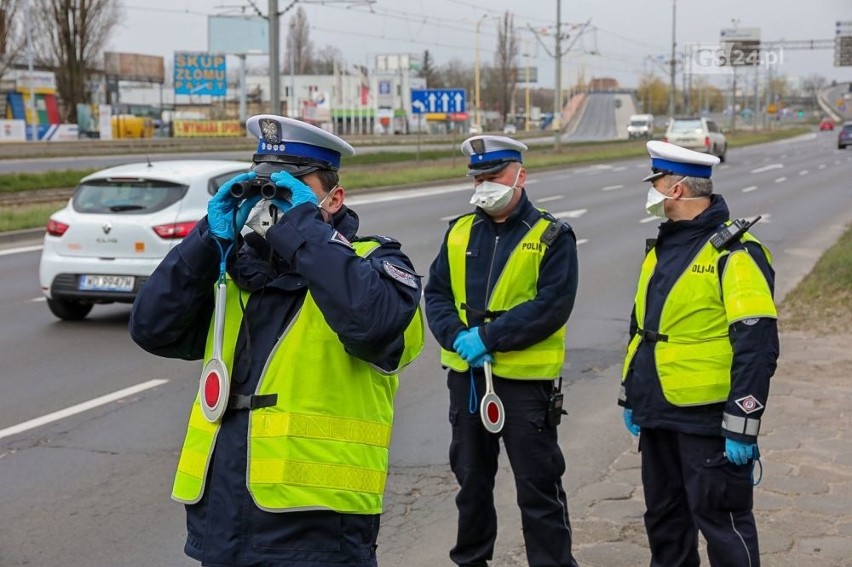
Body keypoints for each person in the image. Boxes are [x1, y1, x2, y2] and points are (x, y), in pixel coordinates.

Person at [129, 114, 424, 567]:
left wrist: (304, 231)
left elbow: (372, 324)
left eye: (291, 188)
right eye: (265, 184)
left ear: (334, 198)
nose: (274, 200)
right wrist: (210, 238)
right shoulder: (238, 270)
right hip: (224, 517)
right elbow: (151, 327)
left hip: (317, 526)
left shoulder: (376, 264)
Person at [619, 140, 779, 567]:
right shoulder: (662, 247)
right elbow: (644, 331)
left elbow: (757, 344)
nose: (651, 191)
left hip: (707, 420)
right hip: (658, 412)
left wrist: (743, 422)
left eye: (656, 182)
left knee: (723, 526)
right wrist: (631, 395)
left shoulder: (735, 253)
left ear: (676, 190)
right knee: (665, 524)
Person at [424, 135, 580, 567]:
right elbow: (435, 293)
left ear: (520, 176)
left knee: (539, 486)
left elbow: (551, 305)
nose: (484, 186)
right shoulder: (458, 231)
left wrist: (489, 338)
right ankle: (471, 560)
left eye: (493, 177)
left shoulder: (551, 235)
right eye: (478, 178)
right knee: (471, 482)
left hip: (524, 386)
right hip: (468, 379)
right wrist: (457, 336)